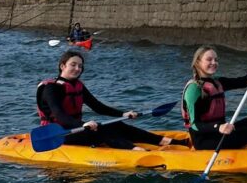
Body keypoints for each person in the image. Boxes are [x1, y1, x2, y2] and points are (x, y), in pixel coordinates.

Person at [38, 51, 180, 149]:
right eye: (73, 65)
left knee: (118, 125)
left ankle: (165, 141)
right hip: (59, 134)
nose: (77, 69)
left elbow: (97, 107)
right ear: (63, 66)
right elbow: (59, 115)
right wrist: (83, 124)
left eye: (80, 66)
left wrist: (123, 114)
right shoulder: (51, 88)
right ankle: (136, 151)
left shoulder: (77, 85)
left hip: (77, 128)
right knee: (102, 130)